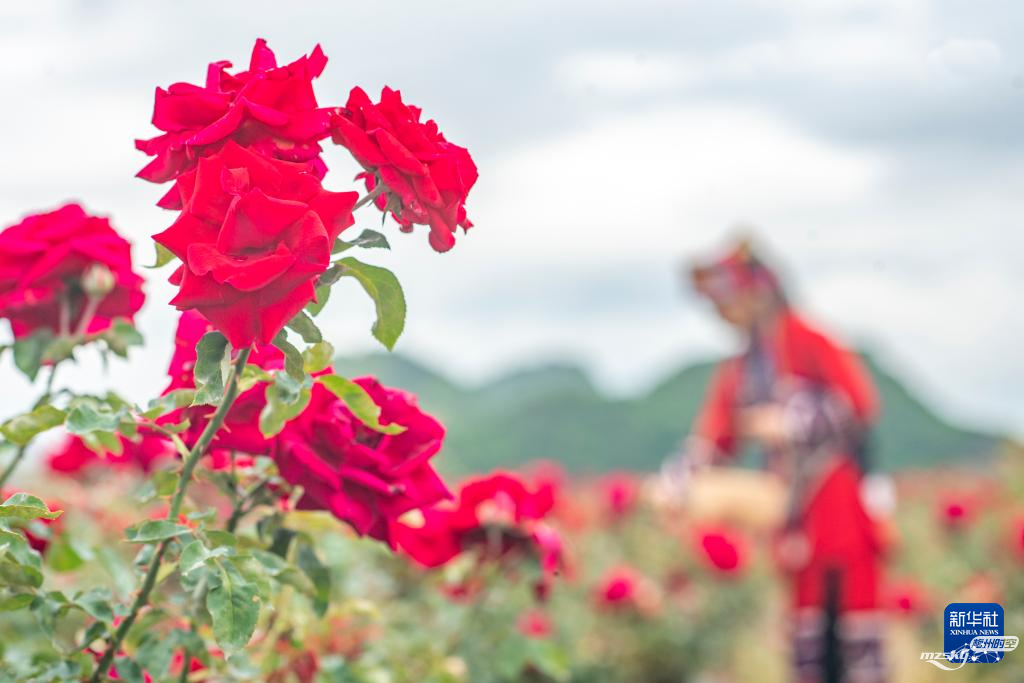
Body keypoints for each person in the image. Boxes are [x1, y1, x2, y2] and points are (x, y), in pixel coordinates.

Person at [663, 238, 888, 683]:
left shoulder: (807, 338)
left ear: (757, 292)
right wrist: (679, 479)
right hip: (790, 508)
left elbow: (859, 405)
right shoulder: (742, 367)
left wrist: (794, 420)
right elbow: (715, 436)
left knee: (849, 621)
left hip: (835, 495)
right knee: (805, 629)